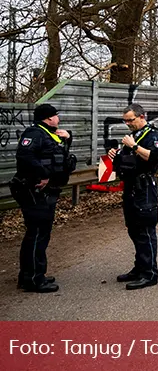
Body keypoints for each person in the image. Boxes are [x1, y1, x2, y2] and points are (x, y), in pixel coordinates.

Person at [11, 104, 76, 293]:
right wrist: (44, 174)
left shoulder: (48, 134)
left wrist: (68, 138)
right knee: (37, 234)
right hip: (35, 191)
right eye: (56, 116)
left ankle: (32, 274)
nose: (58, 119)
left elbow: (57, 155)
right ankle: (33, 279)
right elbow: (24, 156)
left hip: (46, 192)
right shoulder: (35, 133)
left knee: (40, 233)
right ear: (48, 118)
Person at [108, 103, 158, 290]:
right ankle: (140, 267)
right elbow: (127, 162)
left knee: (145, 231)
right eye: (125, 121)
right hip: (130, 188)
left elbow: (153, 158)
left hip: (144, 188)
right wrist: (116, 155)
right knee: (134, 229)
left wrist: (134, 146)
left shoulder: (152, 135)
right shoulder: (134, 136)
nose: (128, 124)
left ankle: (150, 274)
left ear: (141, 117)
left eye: (130, 120)